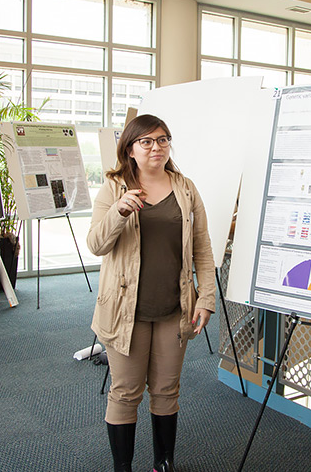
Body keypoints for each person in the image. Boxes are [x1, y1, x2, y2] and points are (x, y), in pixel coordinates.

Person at [87, 114, 216, 472]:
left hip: (175, 308)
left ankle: (164, 463)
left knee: (166, 391)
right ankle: (123, 468)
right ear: (130, 149)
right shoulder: (113, 188)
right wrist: (120, 211)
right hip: (125, 311)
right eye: (146, 141)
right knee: (126, 392)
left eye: (162, 140)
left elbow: (202, 248)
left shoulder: (185, 187)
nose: (156, 147)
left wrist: (206, 297)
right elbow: (96, 244)